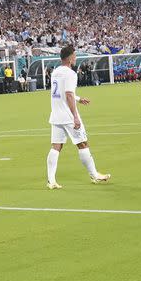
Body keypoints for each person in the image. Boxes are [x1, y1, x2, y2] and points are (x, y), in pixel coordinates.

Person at [46, 44, 111, 190]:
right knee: (82, 143)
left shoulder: (56, 72)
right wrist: (75, 116)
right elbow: (68, 94)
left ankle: (51, 180)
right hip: (68, 116)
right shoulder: (70, 74)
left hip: (56, 114)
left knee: (56, 147)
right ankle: (94, 174)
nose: (75, 58)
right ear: (69, 58)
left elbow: (62, 92)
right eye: (74, 55)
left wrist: (79, 98)